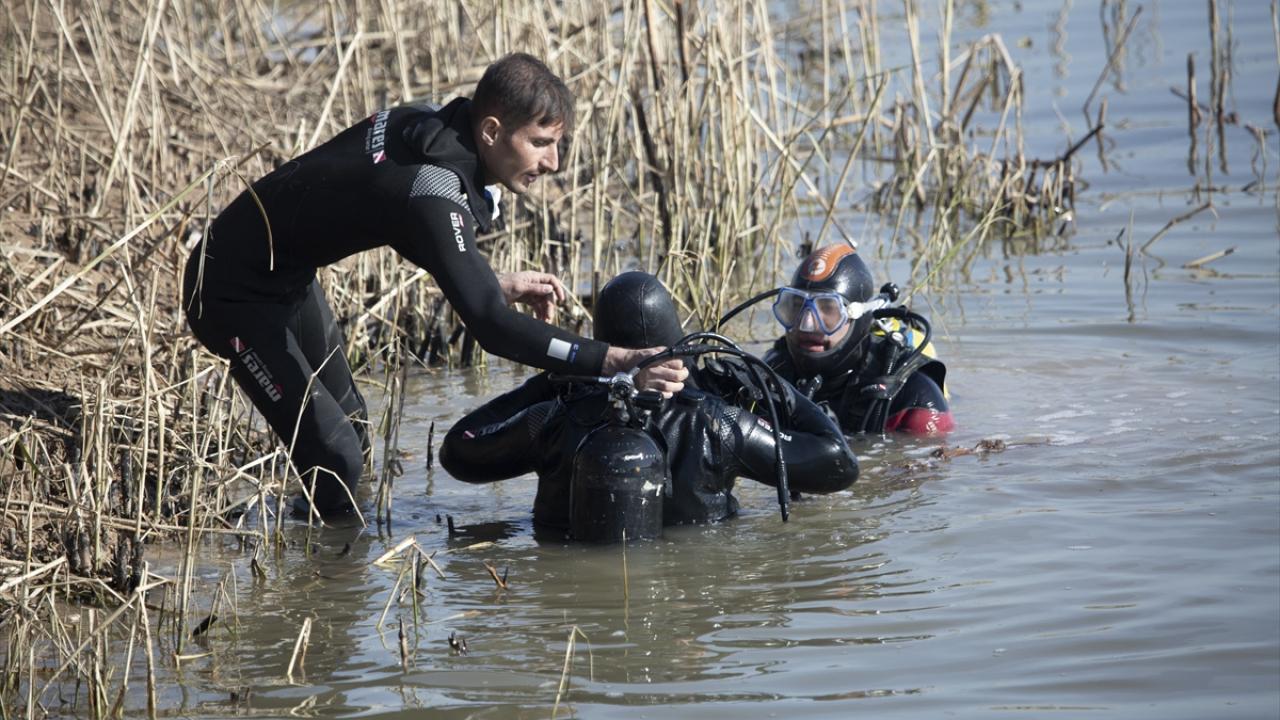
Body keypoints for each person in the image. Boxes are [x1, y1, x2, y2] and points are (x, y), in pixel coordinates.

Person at [183, 54, 686, 517]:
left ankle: (315, 534)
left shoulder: (428, 125)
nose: (554, 162)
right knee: (336, 460)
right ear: (491, 131)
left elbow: (389, 210)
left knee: (353, 427)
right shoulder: (431, 187)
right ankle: (319, 571)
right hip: (226, 290)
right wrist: (616, 361)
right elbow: (491, 326)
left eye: (557, 143)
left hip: (283, 276)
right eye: (539, 142)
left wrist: (486, 280)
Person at [439, 272, 859, 536]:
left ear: (602, 345)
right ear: (679, 343)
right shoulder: (717, 425)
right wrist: (772, 384)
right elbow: (838, 461)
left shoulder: (553, 419)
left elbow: (460, 449)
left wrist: (554, 381)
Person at [764, 244, 954, 437]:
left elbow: (932, 452)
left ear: (859, 317)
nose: (806, 325)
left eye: (828, 309)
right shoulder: (770, 372)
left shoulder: (914, 395)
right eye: (797, 306)